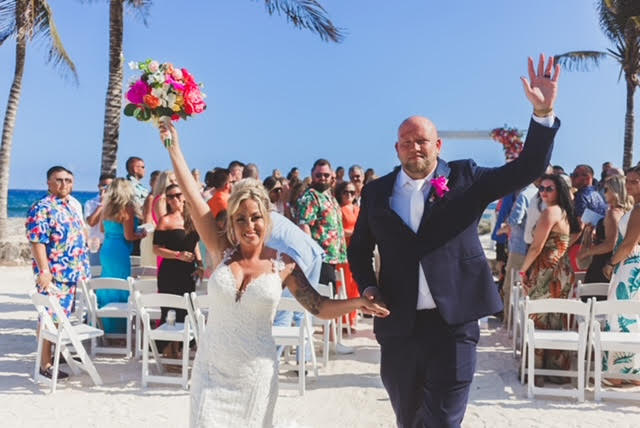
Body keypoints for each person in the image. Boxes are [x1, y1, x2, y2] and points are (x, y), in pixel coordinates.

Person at [348, 54, 560, 427]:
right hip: (399, 327)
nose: (415, 148)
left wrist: (542, 114)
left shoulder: (467, 177)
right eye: (406, 142)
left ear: (438, 145)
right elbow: (360, 247)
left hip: (454, 326)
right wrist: (367, 286)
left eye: (423, 141)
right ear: (396, 149)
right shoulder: (376, 192)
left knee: (443, 421)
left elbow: (526, 169)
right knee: (408, 419)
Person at [156, 122, 389, 427]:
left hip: (256, 374)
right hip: (210, 370)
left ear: (266, 219)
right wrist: (173, 146)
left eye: (255, 218)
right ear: (232, 223)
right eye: (240, 219)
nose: (248, 226)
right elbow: (193, 196)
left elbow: (319, 306)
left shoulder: (285, 265)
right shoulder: (219, 250)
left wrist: (358, 303)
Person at [26, 166, 91, 380]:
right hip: (54, 274)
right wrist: (44, 270)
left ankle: (53, 355)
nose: (64, 184)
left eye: (68, 180)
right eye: (59, 180)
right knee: (49, 318)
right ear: (49, 183)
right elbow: (37, 241)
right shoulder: (42, 207)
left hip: (71, 275)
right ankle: (44, 363)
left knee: (60, 319)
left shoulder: (70, 206)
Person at [519, 174, 579, 386]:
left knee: (538, 318)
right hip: (562, 270)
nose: (543, 192)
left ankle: (537, 374)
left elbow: (536, 247)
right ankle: (556, 372)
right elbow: (571, 238)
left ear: (559, 190)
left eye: (549, 188)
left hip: (546, 271)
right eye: (541, 189)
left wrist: (522, 270)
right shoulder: (565, 212)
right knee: (557, 318)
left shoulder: (550, 212)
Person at [153, 184, 202, 358]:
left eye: (178, 195)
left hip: (188, 272)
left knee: (187, 310)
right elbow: (156, 249)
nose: (175, 199)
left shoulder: (192, 218)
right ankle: (169, 352)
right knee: (170, 311)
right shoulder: (165, 220)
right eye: (170, 197)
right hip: (170, 272)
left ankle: (182, 350)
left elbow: (194, 243)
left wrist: (201, 264)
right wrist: (177, 255)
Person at [602, 167, 640, 385]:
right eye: (629, 181)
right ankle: (632, 372)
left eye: (635, 181)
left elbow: (628, 243)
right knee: (632, 317)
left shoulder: (637, 210)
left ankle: (617, 373)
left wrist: (611, 262)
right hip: (634, 265)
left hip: (630, 266)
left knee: (619, 315)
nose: (630, 185)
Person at [100, 178, 145, 333]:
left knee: (108, 284)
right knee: (121, 285)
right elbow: (129, 236)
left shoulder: (106, 207)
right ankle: (119, 331)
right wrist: (141, 233)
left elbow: (102, 229)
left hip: (107, 248)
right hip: (120, 249)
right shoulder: (127, 207)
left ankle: (106, 327)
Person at [298, 159, 348, 287]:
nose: (322, 178)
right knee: (326, 300)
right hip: (320, 258)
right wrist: (309, 255)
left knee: (334, 296)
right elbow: (305, 225)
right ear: (312, 176)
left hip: (334, 257)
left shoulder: (330, 197)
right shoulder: (311, 197)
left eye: (326, 175)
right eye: (318, 175)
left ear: (332, 176)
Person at [578, 175, 632, 285]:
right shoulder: (628, 213)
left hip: (602, 264)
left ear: (616, 191)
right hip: (619, 264)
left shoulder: (613, 213)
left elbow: (611, 243)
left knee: (592, 298)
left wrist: (586, 252)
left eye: (606, 189)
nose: (604, 192)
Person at [501, 182, 538, 325]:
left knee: (510, 287)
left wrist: (505, 227)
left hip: (520, 248)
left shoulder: (524, 195)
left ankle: (509, 322)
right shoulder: (541, 195)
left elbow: (515, 220)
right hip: (537, 248)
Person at [336, 181, 361, 330]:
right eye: (346, 192)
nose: (349, 195)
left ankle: (352, 319)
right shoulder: (339, 210)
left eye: (352, 192)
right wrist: (354, 233)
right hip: (344, 250)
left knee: (355, 285)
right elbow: (338, 230)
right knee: (344, 285)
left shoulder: (358, 209)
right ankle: (344, 321)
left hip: (357, 249)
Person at [84, 173, 115, 266]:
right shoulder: (90, 203)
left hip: (112, 244)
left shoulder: (117, 204)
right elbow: (91, 222)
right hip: (96, 246)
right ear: (99, 186)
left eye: (110, 186)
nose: (107, 189)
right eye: (104, 185)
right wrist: (101, 204)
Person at [125, 156, 149, 256]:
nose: (145, 170)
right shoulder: (131, 186)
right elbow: (136, 208)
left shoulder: (138, 185)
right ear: (135, 169)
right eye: (142, 167)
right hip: (135, 228)